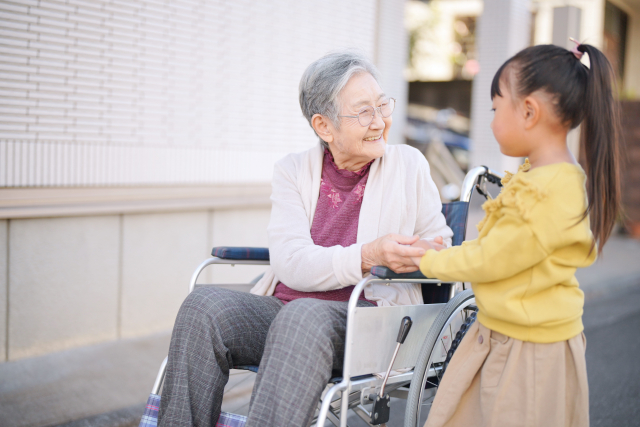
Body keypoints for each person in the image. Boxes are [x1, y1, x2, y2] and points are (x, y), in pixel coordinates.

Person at [158, 50, 452, 427]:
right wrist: (367, 254)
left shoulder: (408, 165)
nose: (380, 121)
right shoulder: (292, 171)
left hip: (367, 321)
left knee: (302, 316)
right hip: (284, 314)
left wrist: (424, 253)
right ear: (324, 126)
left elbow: (439, 245)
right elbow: (290, 262)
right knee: (204, 306)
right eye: (364, 111)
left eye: (382, 105)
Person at [411, 42, 620, 427]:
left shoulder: (545, 190)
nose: (490, 120)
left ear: (528, 112)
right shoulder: (543, 177)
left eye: (495, 107)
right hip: (513, 338)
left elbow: (490, 259)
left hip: (528, 354)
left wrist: (423, 259)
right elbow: (501, 248)